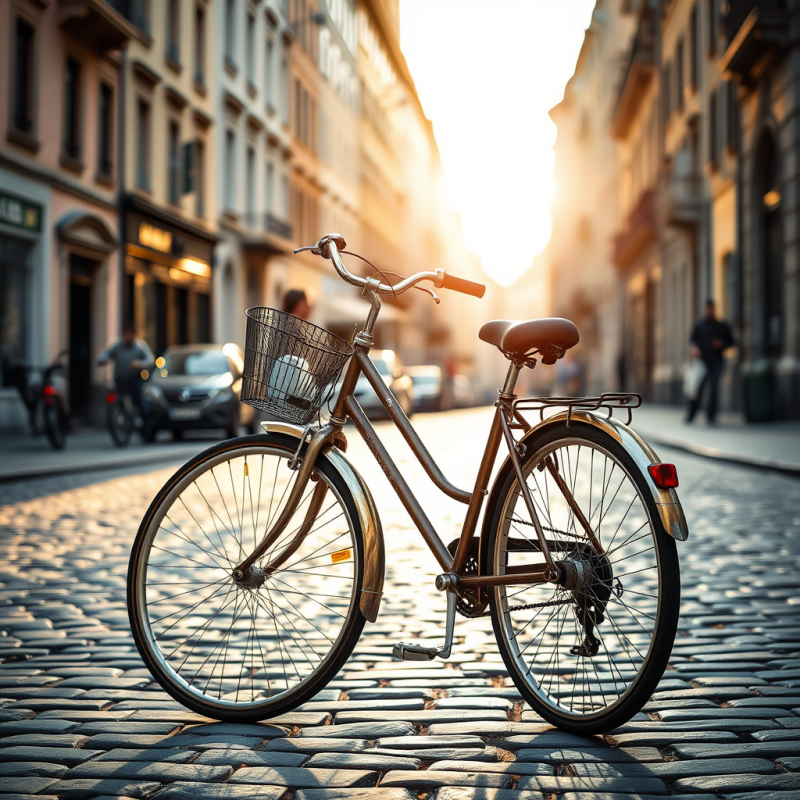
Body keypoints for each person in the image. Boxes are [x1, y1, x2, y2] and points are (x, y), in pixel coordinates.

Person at [98, 323, 155, 431]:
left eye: (130, 334)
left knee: (139, 398)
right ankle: (121, 415)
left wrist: (139, 364)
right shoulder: (117, 346)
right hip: (120, 379)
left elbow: (150, 359)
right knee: (115, 394)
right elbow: (105, 354)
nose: (127, 337)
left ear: (134, 335)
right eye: (125, 334)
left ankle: (145, 424)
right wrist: (103, 360)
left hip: (134, 378)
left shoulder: (139, 346)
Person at [686, 299, 734, 424]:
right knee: (697, 388)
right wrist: (694, 349)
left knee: (714, 387)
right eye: (708, 308)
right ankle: (691, 414)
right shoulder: (699, 325)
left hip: (717, 361)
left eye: (712, 308)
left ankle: (711, 416)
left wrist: (721, 344)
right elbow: (692, 341)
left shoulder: (722, 326)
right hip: (702, 362)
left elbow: (731, 342)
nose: (710, 310)